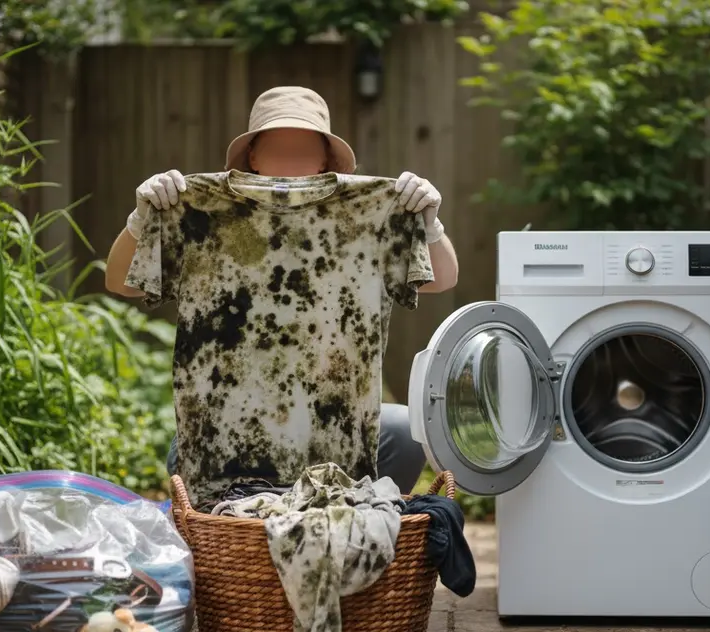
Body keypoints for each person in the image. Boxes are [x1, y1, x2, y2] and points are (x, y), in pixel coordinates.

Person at [104, 86, 459, 495]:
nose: (290, 161)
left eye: (303, 148)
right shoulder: (203, 213)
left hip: (330, 436)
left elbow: (444, 279)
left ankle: (350, 531)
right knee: (187, 459)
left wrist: (430, 224)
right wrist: (141, 219)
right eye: (278, 146)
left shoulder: (365, 215)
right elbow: (119, 282)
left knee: (404, 426)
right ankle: (231, 540)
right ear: (252, 156)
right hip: (226, 440)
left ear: (327, 159)